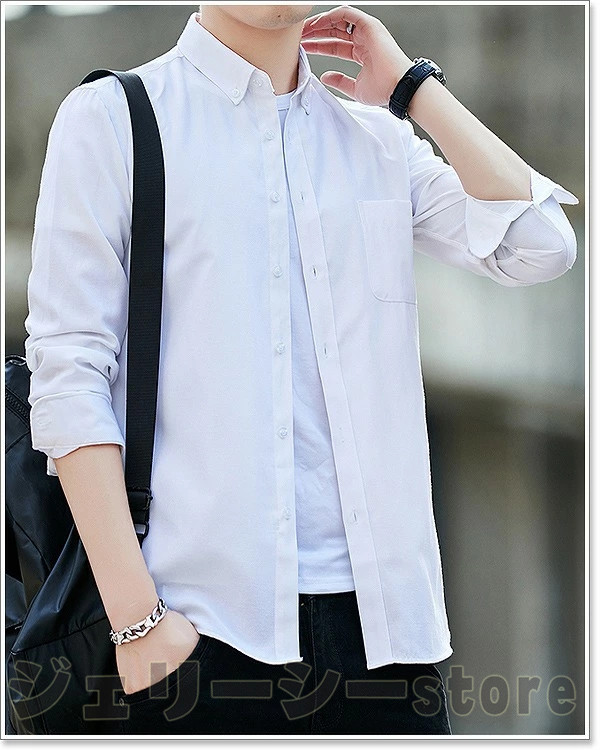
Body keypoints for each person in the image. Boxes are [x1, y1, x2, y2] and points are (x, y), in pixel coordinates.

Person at [23, 3, 579, 737]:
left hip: (385, 642)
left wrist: (413, 89)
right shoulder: (116, 118)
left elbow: (540, 245)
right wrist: (137, 622)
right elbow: (68, 374)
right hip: (195, 631)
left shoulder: (378, 138)